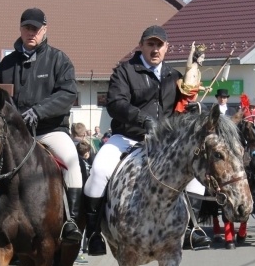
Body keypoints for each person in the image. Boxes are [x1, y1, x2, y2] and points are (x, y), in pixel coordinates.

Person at [83, 25, 211, 254]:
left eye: (159, 45)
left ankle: (193, 229)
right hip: (128, 137)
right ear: (141, 46)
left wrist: (191, 111)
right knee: (99, 170)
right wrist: (143, 120)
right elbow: (116, 103)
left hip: (166, 143)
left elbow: (178, 110)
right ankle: (92, 234)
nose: (155, 50)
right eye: (150, 44)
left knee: (195, 173)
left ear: (166, 48)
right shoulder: (124, 72)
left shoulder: (175, 76)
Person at [0, 7, 83, 244]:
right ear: (20, 29)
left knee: (72, 163)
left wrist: (38, 112)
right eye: (27, 28)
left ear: (44, 30)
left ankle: (71, 220)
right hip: (15, 134)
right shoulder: (6, 64)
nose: (31, 33)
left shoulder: (58, 60)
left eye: (36, 29)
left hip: (49, 131)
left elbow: (68, 93)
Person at [174, 42, 209, 113]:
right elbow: (188, 64)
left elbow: (194, 86)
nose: (203, 60)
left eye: (204, 58)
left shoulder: (198, 72)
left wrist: (205, 88)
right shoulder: (190, 67)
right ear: (196, 57)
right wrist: (192, 51)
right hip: (185, 99)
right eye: (202, 57)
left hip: (192, 99)